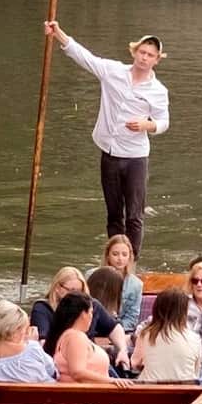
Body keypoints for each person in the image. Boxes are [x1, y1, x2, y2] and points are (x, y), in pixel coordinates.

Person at [44, 20, 169, 257]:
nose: (144, 58)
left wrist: (146, 125)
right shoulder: (113, 71)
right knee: (113, 212)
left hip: (136, 157)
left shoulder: (158, 91)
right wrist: (57, 33)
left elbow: (164, 122)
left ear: (156, 60)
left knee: (134, 216)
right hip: (109, 153)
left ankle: (131, 262)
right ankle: (114, 261)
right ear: (134, 52)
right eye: (142, 52)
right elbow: (85, 57)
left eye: (150, 55)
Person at [29, 266, 131, 370]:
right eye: (71, 290)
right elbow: (42, 343)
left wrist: (122, 350)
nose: (76, 295)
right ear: (57, 289)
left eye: (79, 291)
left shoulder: (91, 305)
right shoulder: (43, 308)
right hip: (63, 363)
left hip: (92, 358)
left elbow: (114, 327)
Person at [0, 299, 57, 383]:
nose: (27, 331)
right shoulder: (32, 348)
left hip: (0, 391)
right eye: (26, 328)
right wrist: (32, 342)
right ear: (17, 329)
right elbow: (52, 370)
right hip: (43, 390)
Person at [131, 288, 202, 383]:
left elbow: (134, 364)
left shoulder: (145, 334)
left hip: (150, 389)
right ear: (184, 312)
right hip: (185, 390)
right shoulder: (195, 338)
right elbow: (196, 372)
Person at [43, 292, 113, 383]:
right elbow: (77, 372)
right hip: (87, 390)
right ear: (84, 314)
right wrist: (111, 381)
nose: (92, 317)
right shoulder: (76, 337)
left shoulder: (67, 335)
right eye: (91, 312)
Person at [89, 234, 143, 333]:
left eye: (124, 254)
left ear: (129, 257)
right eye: (115, 254)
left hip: (119, 329)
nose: (120, 258)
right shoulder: (91, 275)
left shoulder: (136, 285)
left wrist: (115, 329)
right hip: (91, 326)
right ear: (107, 255)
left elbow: (131, 318)